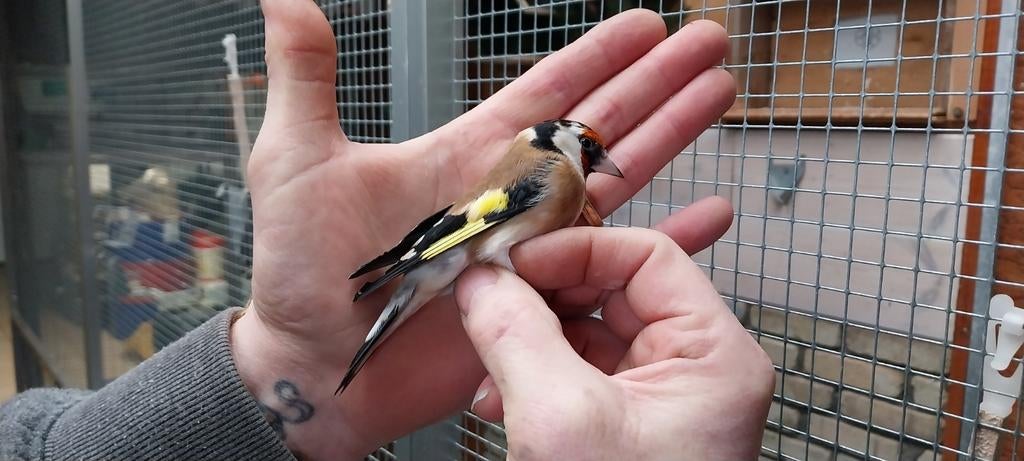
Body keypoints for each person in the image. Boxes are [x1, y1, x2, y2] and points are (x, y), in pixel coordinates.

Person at [0, 1, 774, 460]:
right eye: (592, 150)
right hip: (455, 250)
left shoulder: (546, 168)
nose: (598, 163)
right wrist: (415, 268)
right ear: (570, 145)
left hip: (457, 246)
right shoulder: (553, 171)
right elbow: (480, 222)